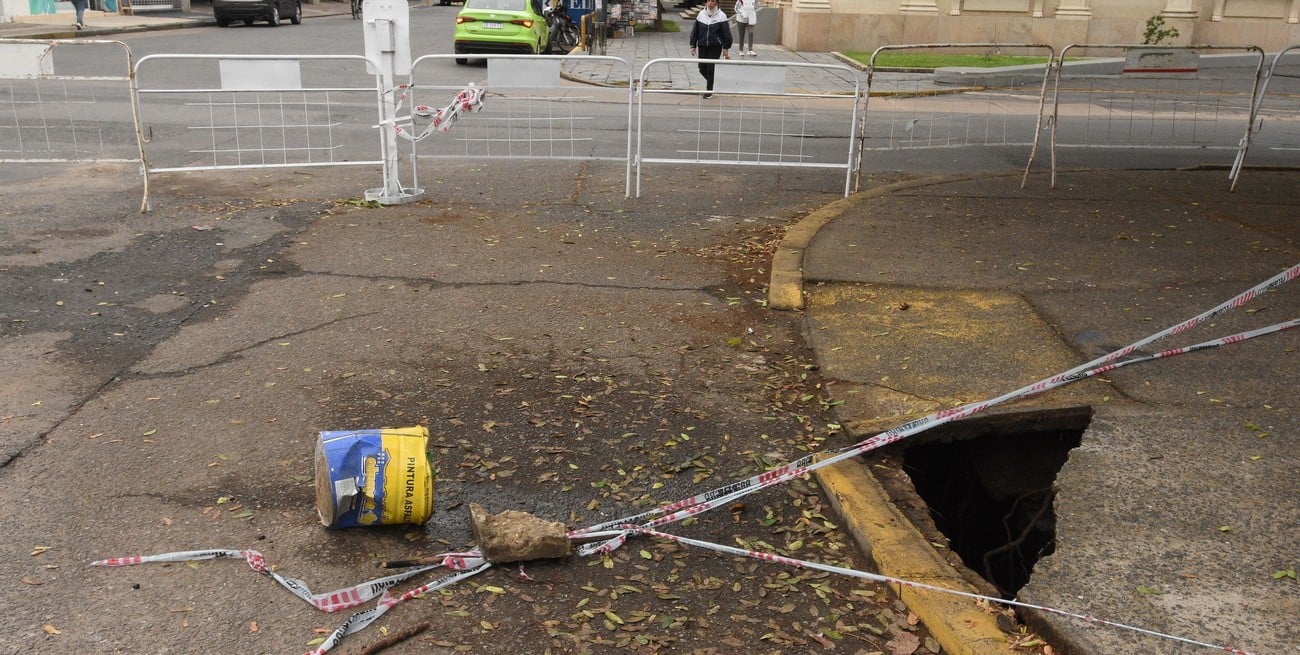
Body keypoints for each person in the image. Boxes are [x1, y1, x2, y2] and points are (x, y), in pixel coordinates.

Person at [688, 0, 732, 99]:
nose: (710, 3)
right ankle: (715, 83)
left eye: (712, 1)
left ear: (716, 3)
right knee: (702, 68)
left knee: (710, 68)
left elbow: (727, 34)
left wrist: (726, 48)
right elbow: (695, 31)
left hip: (715, 46)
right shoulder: (701, 14)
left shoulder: (722, 16)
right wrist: (693, 45)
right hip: (702, 45)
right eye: (708, 1)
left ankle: (709, 91)